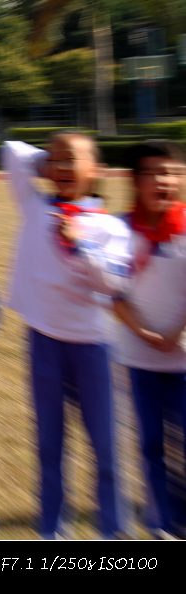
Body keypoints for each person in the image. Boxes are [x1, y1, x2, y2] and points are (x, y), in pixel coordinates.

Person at [1, 132, 132, 539]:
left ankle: (114, 531)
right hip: (44, 342)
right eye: (55, 161)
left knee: (105, 449)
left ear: (97, 171)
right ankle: (52, 532)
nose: (62, 169)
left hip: (95, 347)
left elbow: (113, 283)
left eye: (73, 161)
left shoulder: (110, 226)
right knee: (50, 448)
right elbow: (11, 152)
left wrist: (79, 248)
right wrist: (55, 161)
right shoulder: (36, 207)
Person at [110, 140, 186, 539]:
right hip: (137, 362)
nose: (165, 181)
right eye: (154, 173)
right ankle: (162, 526)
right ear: (135, 181)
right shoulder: (120, 231)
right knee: (150, 447)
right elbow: (112, 292)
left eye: (172, 173)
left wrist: (176, 331)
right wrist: (141, 330)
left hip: (183, 362)